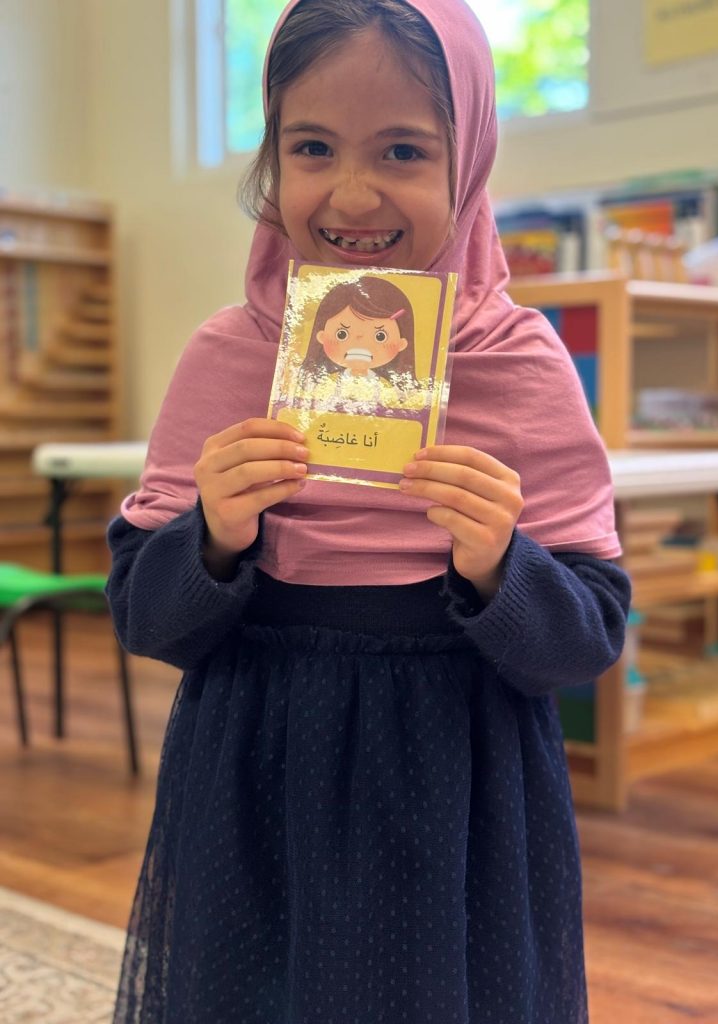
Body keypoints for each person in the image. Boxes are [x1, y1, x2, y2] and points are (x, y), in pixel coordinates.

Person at [107, 1, 631, 1021]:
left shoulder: (521, 363)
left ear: (469, 159)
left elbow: (587, 639)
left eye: (402, 149)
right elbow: (144, 616)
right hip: (255, 766)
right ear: (273, 159)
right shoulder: (226, 357)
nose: (352, 194)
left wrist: (500, 566)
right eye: (311, 147)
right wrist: (211, 536)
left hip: (457, 777)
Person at [290, 274, 424, 414]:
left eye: (380, 336)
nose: (360, 341)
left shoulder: (390, 391)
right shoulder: (323, 386)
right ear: (322, 336)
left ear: (401, 344)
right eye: (342, 334)